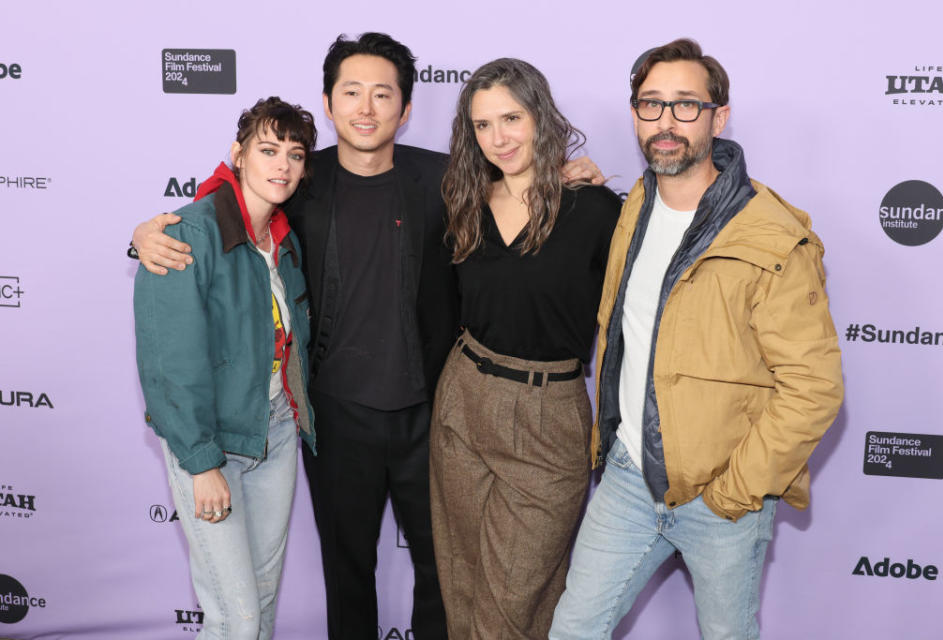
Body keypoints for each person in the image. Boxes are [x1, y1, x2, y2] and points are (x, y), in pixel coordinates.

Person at [132, 34, 603, 640]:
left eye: (383, 94)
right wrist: (148, 232)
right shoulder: (298, 179)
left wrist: (570, 174)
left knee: (445, 569)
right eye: (351, 92)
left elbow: (523, 181)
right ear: (328, 103)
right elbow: (230, 206)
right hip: (334, 415)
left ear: (405, 110)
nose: (366, 107)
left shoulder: (447, 180)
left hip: (435, 413)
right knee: (346, 569)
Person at [548, 39, 844, 640]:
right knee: (573, 630)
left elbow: (815, 388)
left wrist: (733, 491)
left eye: (686, 105)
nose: (666, 122)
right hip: (629, 480)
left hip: (722, 497)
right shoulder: (633, 204)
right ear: (634, 114)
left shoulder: (773, 236)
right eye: (651, 105)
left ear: (719, 116)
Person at [429, 58, 621, 639]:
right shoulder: (466, 203)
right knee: (462, 588)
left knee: (513, 607)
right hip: (462, 401)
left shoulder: (596, 210)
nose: (499, 138)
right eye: (483, 125)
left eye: (511, 118)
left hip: (547, 415)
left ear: (540, 115)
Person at [134, 97, 318, 639]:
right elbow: (171, 361)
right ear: (238, 154)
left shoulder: (283, 237)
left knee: (259, 601)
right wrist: (200, 462)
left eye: (296, 154)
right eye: (268, 150)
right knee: (234, 616)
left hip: (277, 431)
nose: (282, 165)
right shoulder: (188, 233)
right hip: (214, 443)